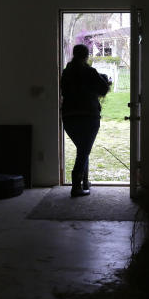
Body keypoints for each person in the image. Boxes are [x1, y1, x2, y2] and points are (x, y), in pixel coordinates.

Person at [61, 44, 111, 197]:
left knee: (83, 149)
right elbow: (104, 89)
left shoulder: (66, 72)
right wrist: (106, 81)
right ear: (86, 56)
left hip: (69, 118)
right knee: (84, 150)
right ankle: (76, 187)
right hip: (89, 117)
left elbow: (64, 92)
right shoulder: (90, 72)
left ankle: (84, 182)